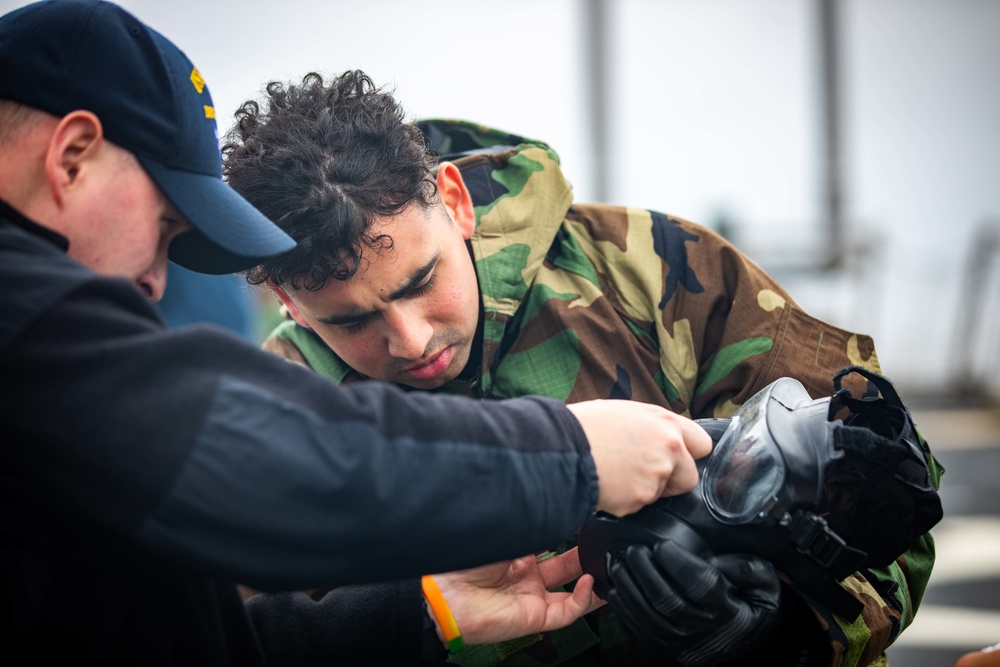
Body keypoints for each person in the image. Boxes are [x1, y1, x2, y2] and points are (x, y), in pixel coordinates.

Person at [0, 3, 713, 664]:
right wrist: (573, 455)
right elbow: (273, 461)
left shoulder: (643, 263)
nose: (156, 281)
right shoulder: (20, 310)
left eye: (417, 282)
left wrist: (422, 609)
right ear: (71, 158)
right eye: (162, 230)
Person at [222, 70, 944, 666]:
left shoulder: (653, 270)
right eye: (351, 320)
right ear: (287, 297)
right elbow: (236, 644)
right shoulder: (269, 424)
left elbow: (893, 494)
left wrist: (781, 631)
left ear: (453, 199)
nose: (409, 340)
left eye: (418, 282)